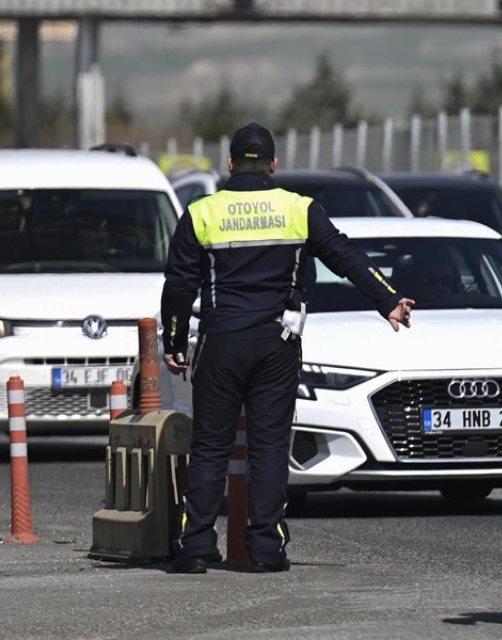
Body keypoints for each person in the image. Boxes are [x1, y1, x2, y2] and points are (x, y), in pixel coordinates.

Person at [161, 123, 414, 574]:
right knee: (269, 447)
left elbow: (179, 285)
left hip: (221, 343)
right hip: (276, 346)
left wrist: (175, 339)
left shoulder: (202, 211)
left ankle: (196, 546)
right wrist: (388, 300)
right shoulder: (299, 209)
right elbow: (344, 255)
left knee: (210, 449)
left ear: (231, 163)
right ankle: (265, 548)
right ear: (274, 165)